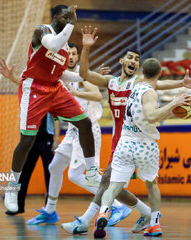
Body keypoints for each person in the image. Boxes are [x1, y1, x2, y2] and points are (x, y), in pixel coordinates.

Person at [61, 26, 191, 235]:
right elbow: (84, 73)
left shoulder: (140, 82)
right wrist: (86, 49)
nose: (134, 61)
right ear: (122, 62)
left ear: (139, 66)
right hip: (120, 139)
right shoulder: (111, 82)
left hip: (136, 138)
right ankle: (145, 213)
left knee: (109, 184)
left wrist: (182, 82)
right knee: (112, 186)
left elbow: (158, 83)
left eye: (137, 59)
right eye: (130, 58)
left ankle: (85, 221)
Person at [4, 5, 100, 216]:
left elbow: (63, 73)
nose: (68, 19)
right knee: (27, 141)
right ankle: (12, 189)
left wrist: (87, 76)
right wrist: (73, 22)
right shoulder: (42, 31)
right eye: (65, 16)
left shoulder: (65, 47)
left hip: (55, 88)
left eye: (70, 16)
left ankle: (92, 171)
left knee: (85, 123)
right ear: (56, 17)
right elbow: (53, 45)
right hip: (34, 88)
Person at [27, 43, 132, 226]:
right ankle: (50, 211)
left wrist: (74, 91)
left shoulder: (83, 75)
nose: (71, 57)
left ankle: (116, 205)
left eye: (74, 54)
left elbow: (98, 96)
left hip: (88, 129)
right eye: (68, 54)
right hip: (72, 131)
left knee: (76, 175)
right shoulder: (60, 75)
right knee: (55, 167)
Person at [93, 58, 191, 238]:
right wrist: (174, 103)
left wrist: (171, 110)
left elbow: (151, 111)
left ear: (142, 72)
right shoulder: (150, 93)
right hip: (144, 145)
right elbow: (152, 116)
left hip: (125, 143)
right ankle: (154, 224)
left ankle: (103, 212)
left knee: (113, 187)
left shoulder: (135, 85)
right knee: (152, 185)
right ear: (160, 73)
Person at [0, 60, 60, 215]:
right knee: (23, 173)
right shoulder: (29, 90)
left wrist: (56, 139)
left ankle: (48, 208)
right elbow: (21, 82)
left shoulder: (51, 90)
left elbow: (57, 118)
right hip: (30, 139)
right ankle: (18, 205)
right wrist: (11, 76)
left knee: (49, 172)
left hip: (46, 139)